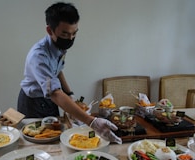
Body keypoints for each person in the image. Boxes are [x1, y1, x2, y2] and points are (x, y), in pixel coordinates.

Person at [18, 2, 121, 144]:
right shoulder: (39, 56)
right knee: (36, 142)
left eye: (74, 33)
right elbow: (55, 93)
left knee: (54, 136)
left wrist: (70, 94)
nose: (70, 38)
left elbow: (58, 71)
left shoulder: (58, 46)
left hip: (50, 100)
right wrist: (91, 121)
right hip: (34, 103)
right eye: (65, 34)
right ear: (50, 30)